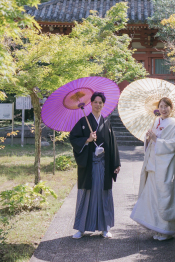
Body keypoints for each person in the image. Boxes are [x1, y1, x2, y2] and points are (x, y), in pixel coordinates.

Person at [129, 97, 175, 240]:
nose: (163, 109)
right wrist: (148, 139)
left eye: (166, 106)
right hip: (153, 164)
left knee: (164, 197)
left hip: (164, 167)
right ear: (158, 108)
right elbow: (151, 143)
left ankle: (165, 231)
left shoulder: (174, 124)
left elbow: (174, 145)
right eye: (161, 106)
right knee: (152, 198)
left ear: (171, 108)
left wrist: (156, 140)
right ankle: (156, 228)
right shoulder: (156, 121)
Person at [69, 91, 121, 239]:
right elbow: (73, 138)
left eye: (100, 102)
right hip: (89, 165)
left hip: (104, 166)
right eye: (95, 102)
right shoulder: (83, 122)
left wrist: (116, 163)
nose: (98, 105)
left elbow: (113, 145)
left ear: (103, 105)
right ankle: (81, 228)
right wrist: (87, 140)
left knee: (103, 195)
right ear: (90, 103)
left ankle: (105, 227)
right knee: (86, 194)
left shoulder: (107, 123)